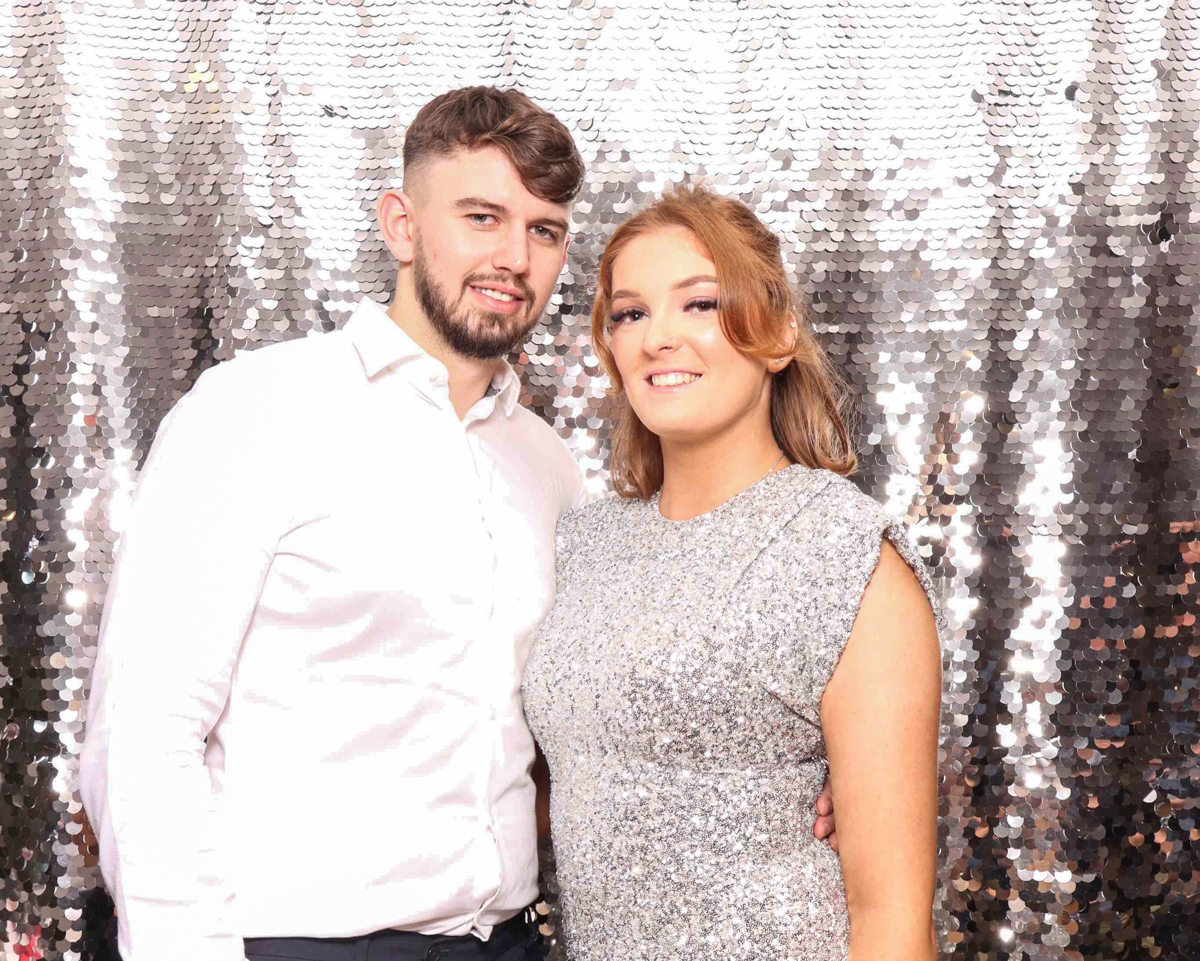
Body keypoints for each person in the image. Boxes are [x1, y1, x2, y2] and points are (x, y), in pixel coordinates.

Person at [79, 89, 839, 961]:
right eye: (482, 216)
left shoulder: (550, 467)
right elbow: (144, 732)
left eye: (544, 230)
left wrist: (784, 793)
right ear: (402, 225)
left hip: (504, 942)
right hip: (296, 940)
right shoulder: (254, 414)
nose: (513, 256)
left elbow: (572, 722)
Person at [523, 185, 942, 960]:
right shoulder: (584, 543)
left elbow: (891, 916)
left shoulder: (844, 552)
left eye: (701, 304)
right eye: (631, 313)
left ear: (778, 335)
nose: (658, 338)